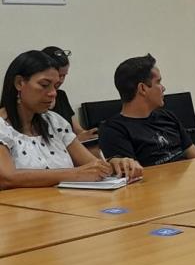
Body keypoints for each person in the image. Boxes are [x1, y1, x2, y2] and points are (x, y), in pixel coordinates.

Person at [0, 51, 141, 189]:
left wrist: (115, 164)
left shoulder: (54, 122)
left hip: (66, 206)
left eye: (55, 86)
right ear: (19, 83)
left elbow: (92, 165)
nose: (52, 93)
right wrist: (74, 174)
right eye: (44, 85)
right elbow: (7, 178)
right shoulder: (2, 127)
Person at [99, 54, 195, 167]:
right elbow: (133, 175)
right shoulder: (114, 130)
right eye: (158, 82)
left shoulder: (168, 116)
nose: (163, 88)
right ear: (142, 88)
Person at [40, 46, 98, 142]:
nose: (60, 80)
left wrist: (87, 134)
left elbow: (77, 129)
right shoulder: (34, 102)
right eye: (59, 75)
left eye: (64, 75)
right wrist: (75, 140)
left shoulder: (61, 95)